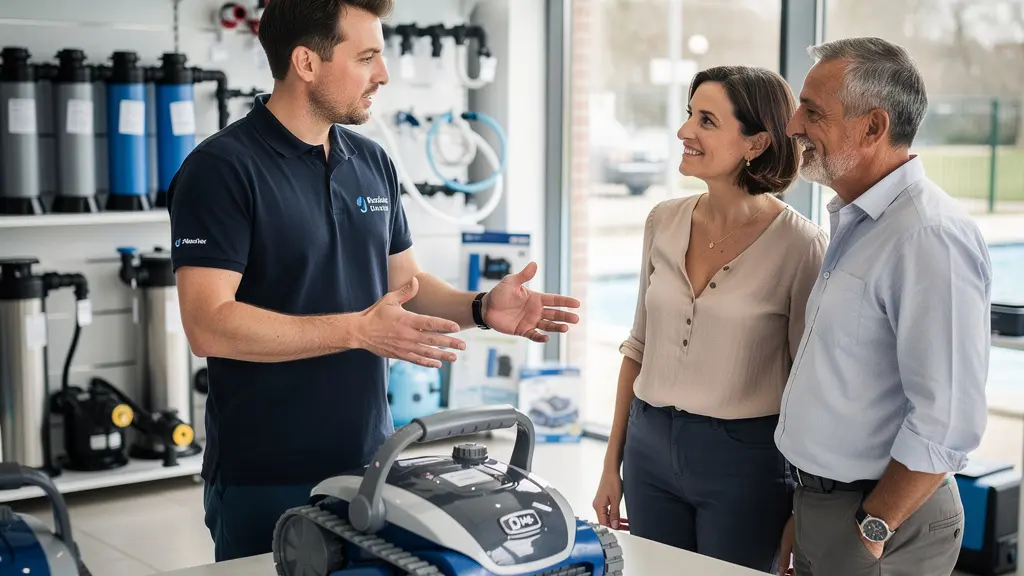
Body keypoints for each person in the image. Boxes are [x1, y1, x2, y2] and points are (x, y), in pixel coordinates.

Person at [166, 0, 581, 562]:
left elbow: (405, 284)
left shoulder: (371, 160)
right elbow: (208, 325)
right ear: (306, 63)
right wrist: (357, 331)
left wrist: (482, 306)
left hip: (369, 461)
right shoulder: (222, 169)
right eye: (366, 58)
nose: (382, 75)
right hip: (264, 472)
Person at [592, 65, 828, 573]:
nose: (684, 132)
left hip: (745, 462)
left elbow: (808, 388)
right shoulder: (663, 220)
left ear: (756, 142)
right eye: (688, 115)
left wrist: (801, 506)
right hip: (649, 447)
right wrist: (612, 462)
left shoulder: (801, 246)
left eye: (706, 120)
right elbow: (638, 348)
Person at [774, 37, 991, 576]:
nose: (792, 125)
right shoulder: (858, 221)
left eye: (813, 111)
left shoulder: (929, 236)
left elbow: (947, 422)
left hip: (881, 522)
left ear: (873, 127)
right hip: (828, 504)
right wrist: (811, 509)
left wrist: (871, 529)